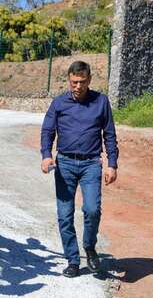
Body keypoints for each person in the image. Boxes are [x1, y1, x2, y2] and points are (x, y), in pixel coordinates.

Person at [40, 61, 119, 278]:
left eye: (82, 82)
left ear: (89, 80)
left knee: (92, 209)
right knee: (65, 215)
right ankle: (73, 260)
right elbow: (47, 131)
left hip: (91, 164)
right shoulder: (59, 103)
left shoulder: (101, 102)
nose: (78, 86)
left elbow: (109, 135)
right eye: (74, 82)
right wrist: (46, 155)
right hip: (64, 164)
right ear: (69, 80)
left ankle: (90, 247)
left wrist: (112, 164)